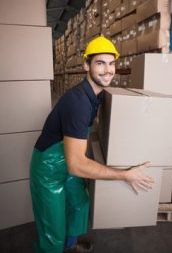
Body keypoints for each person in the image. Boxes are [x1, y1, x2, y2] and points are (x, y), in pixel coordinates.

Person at [30, 36, 154, 253]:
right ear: (86, 65)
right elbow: (76, 165)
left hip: (66, 159)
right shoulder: (78, 103)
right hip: (49, 170)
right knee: (52, 234)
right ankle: (57, 246)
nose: (108, 70)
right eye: (100, 63)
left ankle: (70, 246)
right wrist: (125, 174)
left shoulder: (95, 94)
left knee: (80, 204)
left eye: (111, 63)